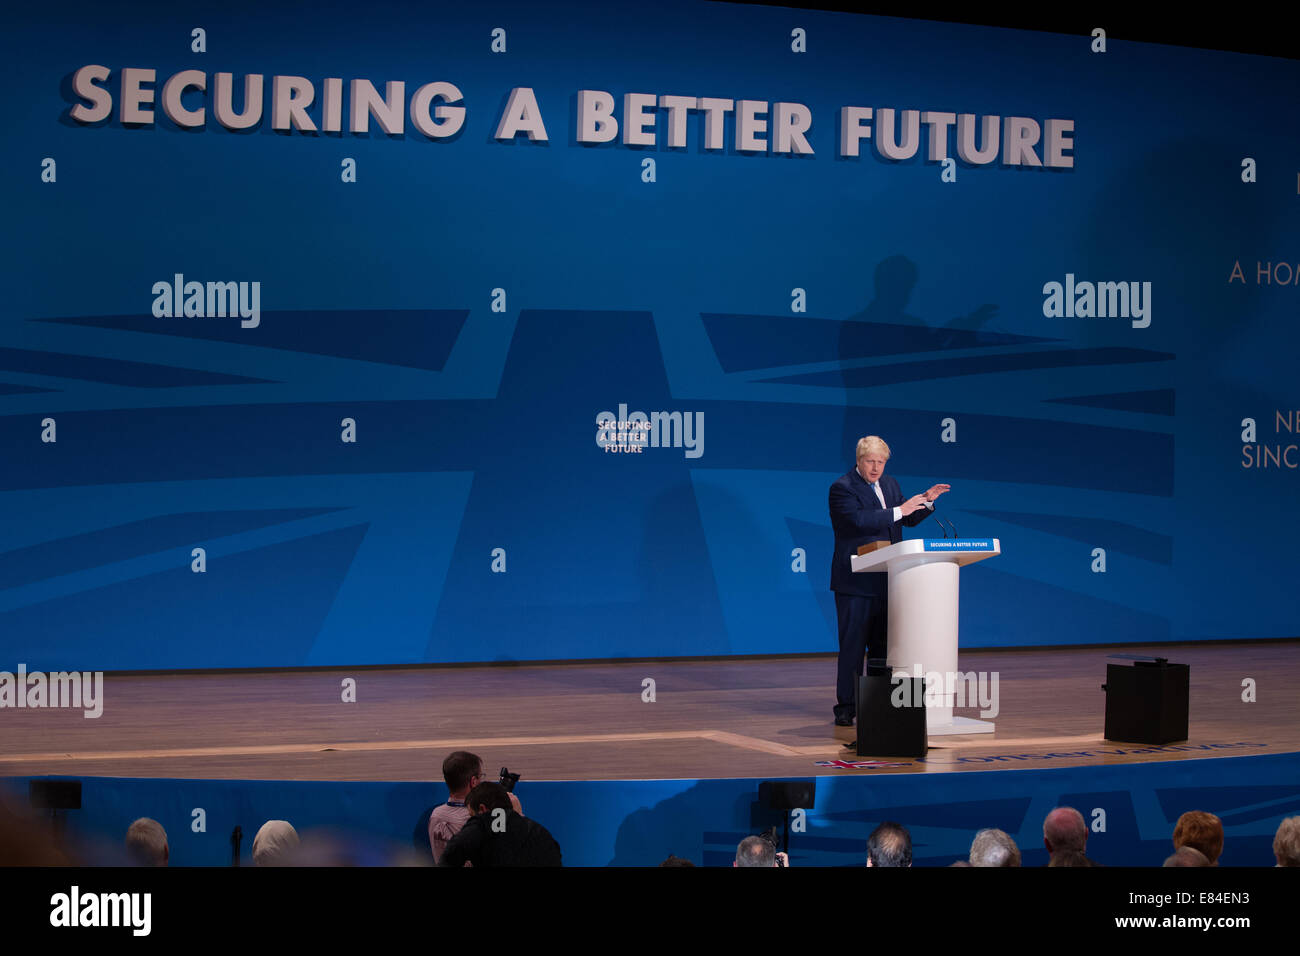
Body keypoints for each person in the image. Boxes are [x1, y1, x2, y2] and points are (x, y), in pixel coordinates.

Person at [828, 435, 949, 724]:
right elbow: (858, 521)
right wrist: (900, 510)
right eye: (870, 461)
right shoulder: (842, 488)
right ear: (858, 460)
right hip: (856, 583)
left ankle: (878, 707)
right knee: (854, 648)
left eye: (880, 462)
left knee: (884, 649)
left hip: (889, 580)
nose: (875, 468)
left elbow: (904, 520)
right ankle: (846, 709)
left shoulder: (891, 484)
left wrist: (926, 503)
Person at [428, 751, 522, 864]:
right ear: (473, 782)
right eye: (480, 776)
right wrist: (516, 814)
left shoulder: (436, 815)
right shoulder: (481, 819)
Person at [438, 783, 560, 867]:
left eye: (472, 815)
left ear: (483, 809)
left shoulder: (488, 820)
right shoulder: (539, 832)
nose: (471, 820)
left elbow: (452, 853)